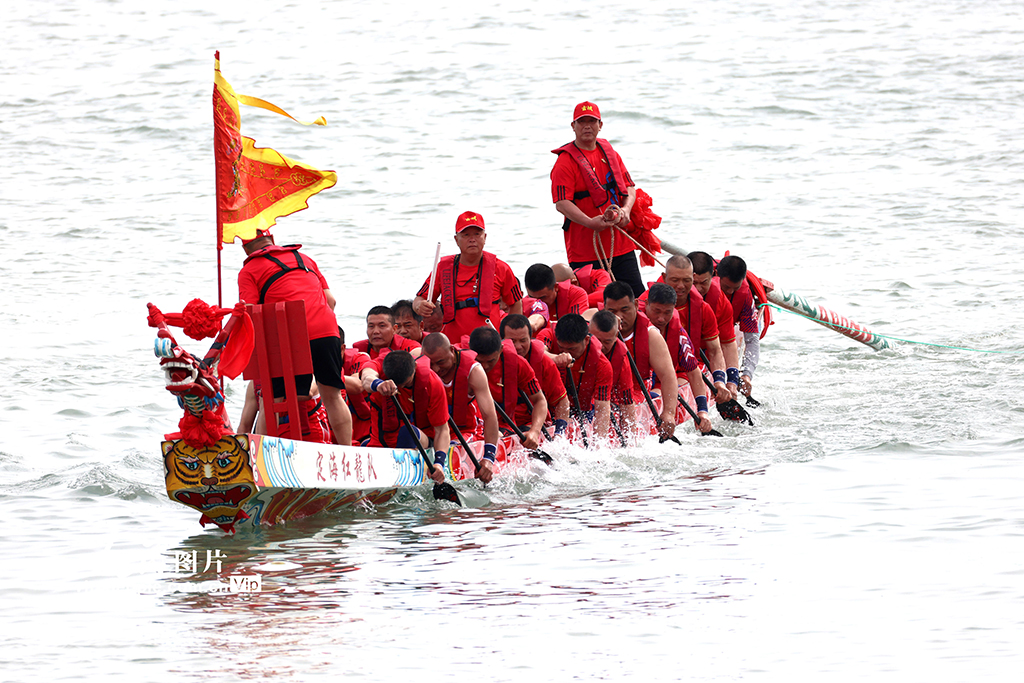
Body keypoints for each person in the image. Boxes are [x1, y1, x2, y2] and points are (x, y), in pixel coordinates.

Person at [236, 230, 353, 445]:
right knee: (333, 396)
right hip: (326, 331)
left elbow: (249, 313)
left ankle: (263, 459)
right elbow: (331, 301)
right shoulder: (305, 259)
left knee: (272, 401)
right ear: (272, 240)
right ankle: (347, 451)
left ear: (245, 249)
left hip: (287, 338)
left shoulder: (249, 270)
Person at [551, 101, 645, 297]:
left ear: (600, 125)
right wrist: (589, 222)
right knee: (594, 304)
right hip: (585, 250)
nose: (587, 126)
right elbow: (561, 203)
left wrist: (626, 210)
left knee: (636, 298)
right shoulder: (565, 161)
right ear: (573, 126)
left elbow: (629, 187)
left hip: (620, 245)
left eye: (592, 121)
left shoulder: (610, 153)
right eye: (581, 122)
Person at [414, 211, 524, 345]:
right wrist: (420, 306)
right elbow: (419, 299)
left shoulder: (501, 268)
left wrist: (510, 337)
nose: (472, 239)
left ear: (485, 237)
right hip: (453, 346)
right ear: (456, 239)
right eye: (466, 235)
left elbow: (515, 302)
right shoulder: (442, 268)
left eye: (477, 234)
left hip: (490, 345)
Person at [639, 254, 731, 403]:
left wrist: (720, 380)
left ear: (693, 278)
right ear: (664, 276)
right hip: (648, 373)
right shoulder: (644, 305)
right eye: (675, 280)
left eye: (687, 280)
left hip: (684, 370)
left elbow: (715, 350)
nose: (681, 286)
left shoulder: (702, 308)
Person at [601, 281, 678, 440]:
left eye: (625, 310)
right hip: (603, 392)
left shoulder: (651, 335)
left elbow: (668, 376)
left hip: (636, 393)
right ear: (603, 308)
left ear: (636, 304)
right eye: (612, 311)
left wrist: (669, 413)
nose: (619, 317)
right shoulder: (596, 326)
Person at [358, 350, 449, 483]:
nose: (400, 388)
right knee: (363, 445)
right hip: (384, 440)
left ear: (414, 370)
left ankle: (402, 475)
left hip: (420, 439)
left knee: (407, 432)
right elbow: (366, 378)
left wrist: (439, 463)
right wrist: (378, 384)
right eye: (397, 384)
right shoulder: (379, 364)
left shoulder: (432, 382)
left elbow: (442, 430)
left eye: (406, 384)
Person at [420, 332, 499, 481]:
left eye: (441, 362)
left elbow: (489, 416)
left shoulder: (474, 371)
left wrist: (489, 458)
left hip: (464, 431)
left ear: (451, 350)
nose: (436, 369)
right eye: (431, 364)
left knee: (451, 446)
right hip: (435, 430)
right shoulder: (420, 365)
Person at [643, 284, 713, 433]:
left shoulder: (678, 333)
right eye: (656, 311)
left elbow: (694, 373)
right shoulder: (632, 325)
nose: (661, 318)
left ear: (674, 309)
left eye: (667, 313)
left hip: (658, 386)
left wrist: (702, 411)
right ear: (646, 304)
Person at [468, 327, 548, 450]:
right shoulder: (457, 363)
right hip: (469, 428)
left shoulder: (518, 363)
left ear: (500, 350)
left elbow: (540, 401)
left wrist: (535, 431)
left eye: (490, 361)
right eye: (479, 361)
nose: (484, 366)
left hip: (503, 427)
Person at [499, 314, 571, 435]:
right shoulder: (491, 362)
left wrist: (560, 433)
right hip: (502, 424)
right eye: (512, 341)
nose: (518, 347)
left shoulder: (545, 363)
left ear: (531, 338)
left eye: (523, 340)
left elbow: (562, 401)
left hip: (534, 424)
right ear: (501, 341)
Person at [689, 251, 742, 399]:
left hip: (704, 353)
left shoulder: (721, 303)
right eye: (693, 283)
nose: (698, 289)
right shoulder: (662, 299)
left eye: (704, 282)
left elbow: (727, 343)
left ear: (713, 276)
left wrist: (731, 381)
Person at [554, 314, 613, 442]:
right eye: (561, 348)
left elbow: (602, 409)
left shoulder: (602, 365)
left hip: (583, 412)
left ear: (586, 340)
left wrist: (598, 445)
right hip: (550, 410)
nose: (566, 353)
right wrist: (553, 358)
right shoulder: (550, 337)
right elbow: (536, 350)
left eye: (572, 349)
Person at [717, 255, 761, 397]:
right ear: (716, 275)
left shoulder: (745, 296)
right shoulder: (703, 288)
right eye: (726, 287)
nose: (729, 292)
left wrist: (746, 375)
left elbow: (752, 339)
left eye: (735, 288)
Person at [587, 310, 637, 435]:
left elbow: (626, 403)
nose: (602, 346)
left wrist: (629, 438)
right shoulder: (576, 344)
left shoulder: (621, 356)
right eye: (598, 340)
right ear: (588, 333)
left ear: (616, 336)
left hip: (602, 402)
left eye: (607, 342)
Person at [522, 263, 590, 336]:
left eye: (543, 298)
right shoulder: (525, 304)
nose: (539, 303)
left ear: (556, 287)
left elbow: (576, 326)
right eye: (532, 298)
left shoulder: (576, 294)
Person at [339, 326, 373, 445]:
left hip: (365, 426)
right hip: (332, 425)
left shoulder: (360, 357)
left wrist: (322, 375)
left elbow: (357, 386)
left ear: (342, 349)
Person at [354, 305, 422, 360]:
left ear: (394, 329)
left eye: (382, 326)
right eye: (371, 326)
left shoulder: (409, 347)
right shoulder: (360, 349)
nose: (376, 331)